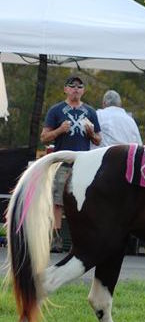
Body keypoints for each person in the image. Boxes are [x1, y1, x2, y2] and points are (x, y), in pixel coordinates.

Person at [41, 75, 101, 252]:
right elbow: (44, 137)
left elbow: (98, 139)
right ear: (65, 89)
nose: (76, 89)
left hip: (83, 164)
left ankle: (79, 239)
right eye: (72, 86)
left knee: (80, 201)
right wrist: (60, 130)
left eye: (79, 86)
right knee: (57, 201)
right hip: (62, 163)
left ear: (83, 90)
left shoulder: (90, 112)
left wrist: (90, 133)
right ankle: (56, 239)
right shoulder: (56, 110)